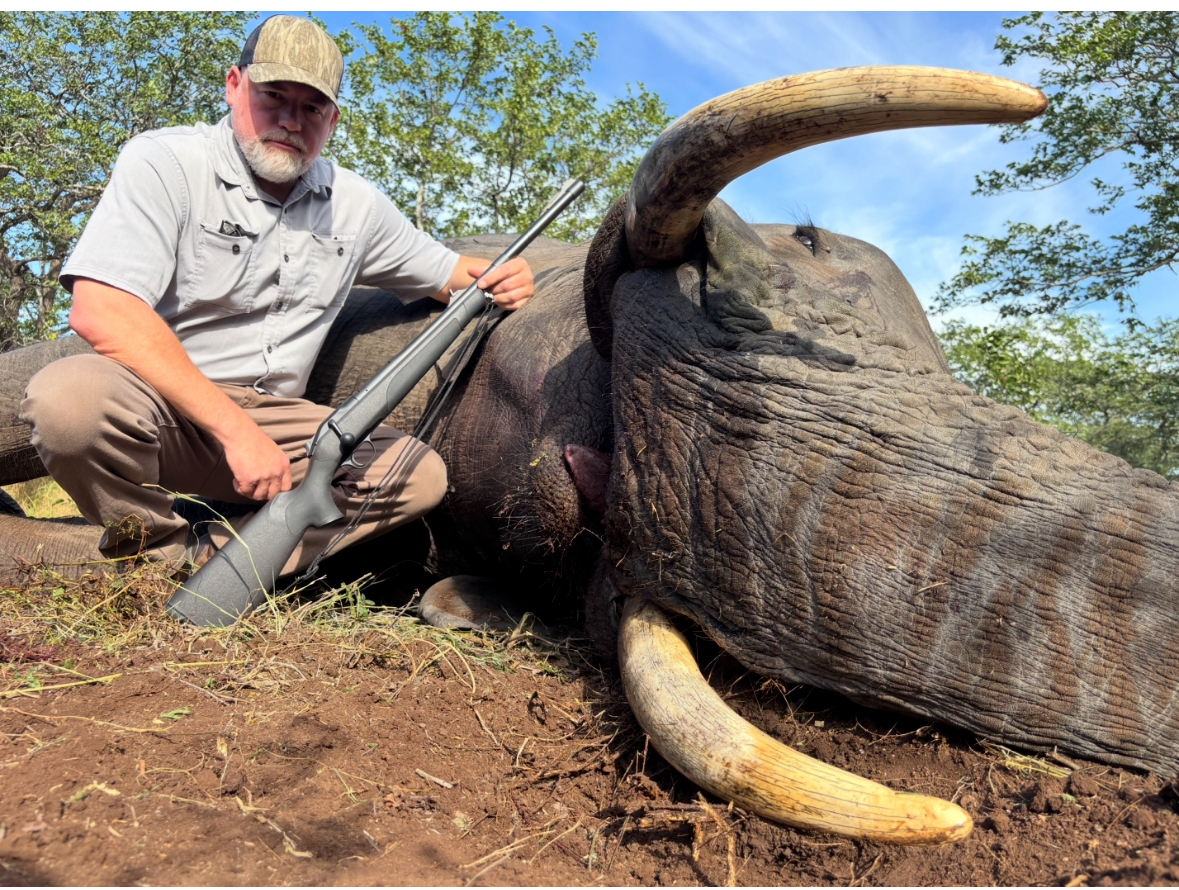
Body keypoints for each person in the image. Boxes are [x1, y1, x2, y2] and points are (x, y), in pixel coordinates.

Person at [19, 15, 535, 580]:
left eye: (312, 107)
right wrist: (235, 430)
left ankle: (218, 563)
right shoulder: (165, 162)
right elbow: (102, 311)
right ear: (234, 84)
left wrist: (505, 277)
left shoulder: (357, 205)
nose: (291, 121)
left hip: (280, 424)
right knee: (66, 401)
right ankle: (154, 552)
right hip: (163, 405)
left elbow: (451, 274)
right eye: (274, 97)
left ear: (332, 120)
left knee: (418, 475)